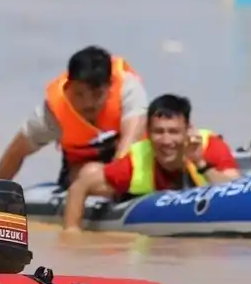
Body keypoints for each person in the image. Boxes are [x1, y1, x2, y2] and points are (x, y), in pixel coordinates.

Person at [61, 94, 241, 230]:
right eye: (158, 132)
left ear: (188, 130)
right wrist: (72, 233)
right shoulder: (137, 159)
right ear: (148, 133)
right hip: (135, 201)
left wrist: (200, 162)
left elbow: (237, 192)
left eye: (173, 131)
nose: (166, 140)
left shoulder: (211, 147)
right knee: (89, 171)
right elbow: (79, 187)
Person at [0, 46, 147, 188]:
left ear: (109, 87)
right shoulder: (52, 113)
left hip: (132, 164)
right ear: (69, 87)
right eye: (79, 94)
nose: (88, 103)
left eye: (97, 94)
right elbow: (16, 152)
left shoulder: (128, 89)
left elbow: (131, 140)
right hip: (81, 169)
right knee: (89, 172)